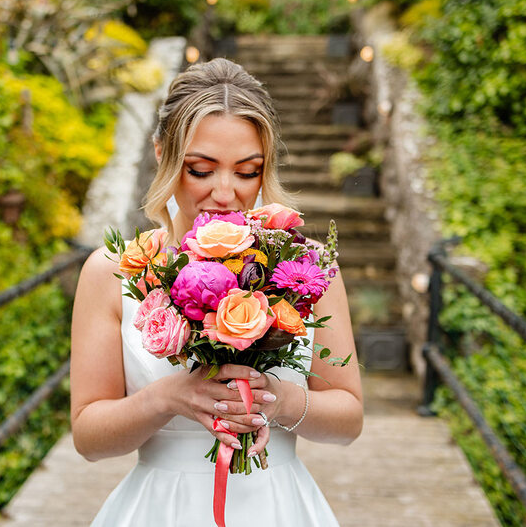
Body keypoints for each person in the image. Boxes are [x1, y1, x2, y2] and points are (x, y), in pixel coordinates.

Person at [70, 58, 363, 526]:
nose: (224, 193)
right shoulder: (111, 272)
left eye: (247, 171)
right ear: (162, 153)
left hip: (276, 506)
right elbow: (88, 438)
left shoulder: (307, 268)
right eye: (201, 169)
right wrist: (165, 398)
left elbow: (349, 420)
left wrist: (281, 401)